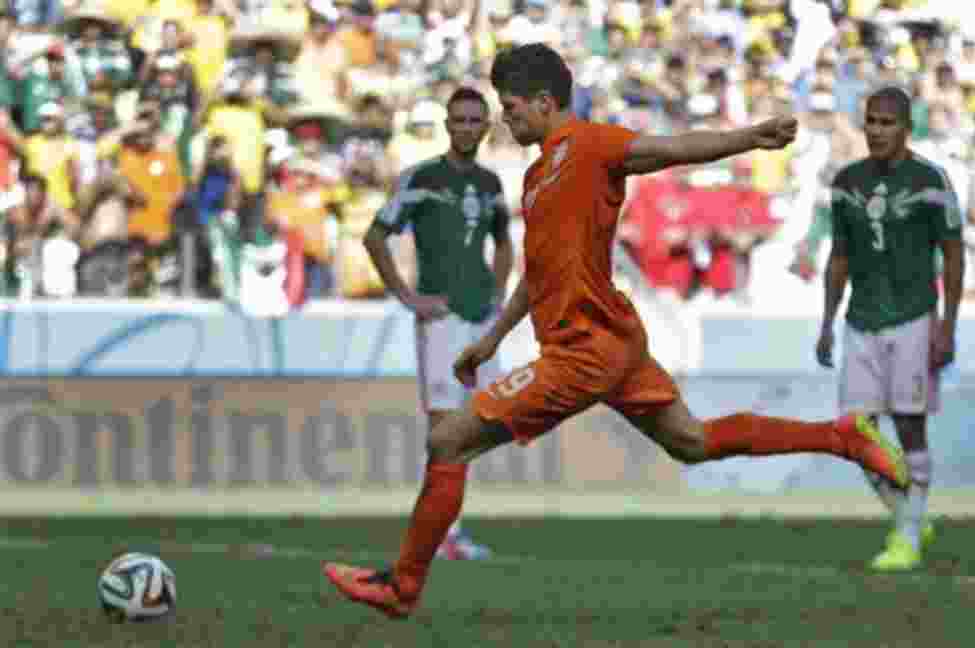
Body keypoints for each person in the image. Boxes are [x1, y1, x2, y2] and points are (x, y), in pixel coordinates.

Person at [324, 43, 909, 618]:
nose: (506, 117)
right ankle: (842, 437)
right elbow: (539, 273)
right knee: (693, 443)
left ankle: (402, 587)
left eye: (512, 106)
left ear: (546, 101)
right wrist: (495, 338)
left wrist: (748, 138)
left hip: (583, 351)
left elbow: (668, 149)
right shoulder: (534, 178)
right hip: (612, 343)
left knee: (449, 440)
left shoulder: (590, 143)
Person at [815, 87, 964, 572]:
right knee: (853, 434)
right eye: (871, 122)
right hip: (860, 320)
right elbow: (838, 256)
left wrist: (947, 325)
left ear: (907, 128)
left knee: (909, 427)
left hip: (914, 318)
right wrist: (826, 322)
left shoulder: (931, 180)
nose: (877, 131)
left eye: (887, 122)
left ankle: (906, 538)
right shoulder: (846, 181)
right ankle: (910, 516)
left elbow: (954, 253)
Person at [362, 86, 514, 560]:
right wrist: (408, 296)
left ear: (486, 127)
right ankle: (441, 537)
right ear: (447, 125)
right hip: (443, 319)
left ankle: (450, 533)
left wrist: (499, 292)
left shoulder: (492, 184)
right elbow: (374, 237)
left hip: (479, 319)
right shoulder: (422, 177)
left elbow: (504, 242)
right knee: (447, 428)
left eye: (475, 120)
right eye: (459, 120)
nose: (467, 128)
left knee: (470, 429)